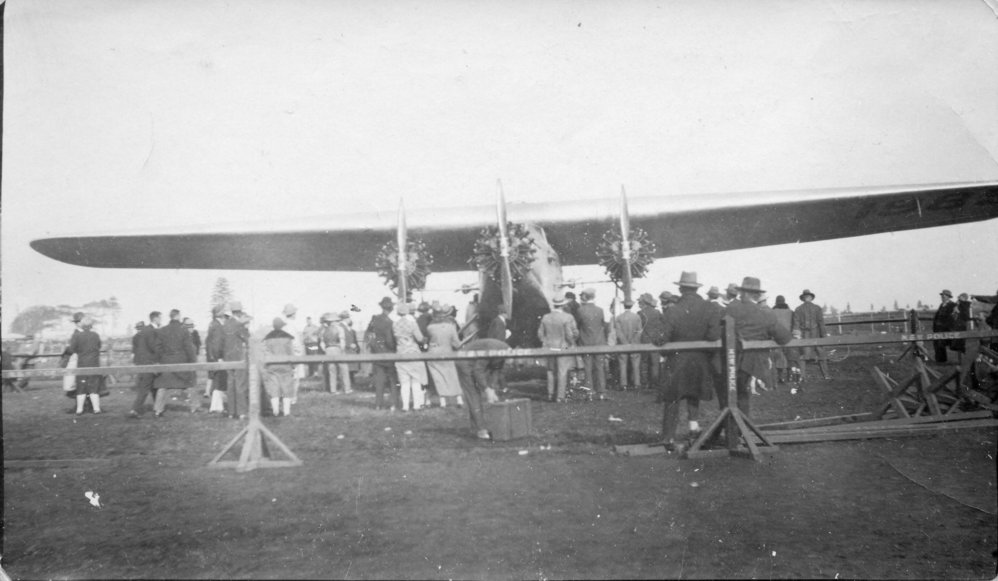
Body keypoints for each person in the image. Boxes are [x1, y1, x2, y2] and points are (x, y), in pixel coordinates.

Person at [724, 277, 792, 446]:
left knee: (731, 396)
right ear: (756, 295)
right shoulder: (765, 313)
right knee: (743, 396)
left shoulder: (731, 309)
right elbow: (784, 338)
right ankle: (741, 433)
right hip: (754, 363)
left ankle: (734, 434)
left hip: (731, 360)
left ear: (742, 292)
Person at [659, 272, 721, 449]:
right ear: (696, 289)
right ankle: (693, 429)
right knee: (694, 394)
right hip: (699, 359)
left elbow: (662, 338)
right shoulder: (709, 308)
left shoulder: (672, 310)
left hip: (677, 360)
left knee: (672, 398)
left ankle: (668, 437)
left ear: (680, 289)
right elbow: (713, 335)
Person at [456, 337, 510, 439]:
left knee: (476, 395)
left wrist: (492, 389)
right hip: (465, 361)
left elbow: (496, 371)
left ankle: (476, 428)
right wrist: (487, 389)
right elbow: (478, 370)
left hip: (474, 361)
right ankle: (481, 430)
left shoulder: (504, 353)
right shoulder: (494, 350)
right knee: (473, 395)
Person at [152, 309, 198, 417]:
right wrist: (193, 361)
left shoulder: (162, 330)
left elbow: (157, 348)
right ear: (178, 316)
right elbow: (189, 348)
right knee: (189, 384)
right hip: (182, 361)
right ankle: (194, 407)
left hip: (166, 362)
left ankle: (158, 409)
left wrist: (160, 360)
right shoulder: (184, 331)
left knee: (162, 386)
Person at [537, 295, 579, 402]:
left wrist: (545, 342)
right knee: (562, 371)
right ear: (563, 305)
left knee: (550, 371)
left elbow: (540, 334)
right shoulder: (568, 317)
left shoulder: (546, 317)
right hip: (563, 346)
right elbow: (571, 334)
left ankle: (550, 394)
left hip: (549, 347)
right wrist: (572, 342)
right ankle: (560, 396)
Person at [425, 303, 464, 408]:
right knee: (452, 376)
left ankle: (443, 401)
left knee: (438, 378)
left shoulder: (430, 327)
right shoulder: (451, 327)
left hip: (433, 353)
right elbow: (456, 343)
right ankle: (459, 399)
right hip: (447, 353)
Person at [63, 316, 104, 415]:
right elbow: (99, 346)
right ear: (91, 326)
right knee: (94, 386)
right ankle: (96, 408)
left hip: (82, 363)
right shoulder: (96, 335)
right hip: (94, 363)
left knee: (81, 386)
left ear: (82, 325)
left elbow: (72, 349)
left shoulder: (77, 336)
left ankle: (79, 409)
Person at [365, 297, 398, 411]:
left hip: (377, 354)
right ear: (391, 308)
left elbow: (368, 335)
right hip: (389, 354)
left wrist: (373, 347)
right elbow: (389, 340)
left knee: (379, 380)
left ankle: (378, 404)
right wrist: (393, 348)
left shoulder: (374, 319)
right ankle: (393, 404)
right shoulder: (390, 323)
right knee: (393, 380)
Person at [393, 303, 428, 411]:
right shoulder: (412, 323)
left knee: (404, 382)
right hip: (413, 352)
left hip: (400, 353)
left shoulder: (394, 324)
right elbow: (420, 338)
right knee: (416, 380)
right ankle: (417, 405)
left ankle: (405, 406)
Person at [792, 289, 831, 380]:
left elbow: (796, 325)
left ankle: (802, 377)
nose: (807, 298)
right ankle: (826, 375)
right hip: (816, 334)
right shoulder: (817, 308)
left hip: (805, 335)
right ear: (810, 298)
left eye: (807, 296)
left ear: (804, 298)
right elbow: (821, 323)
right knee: (821, 354)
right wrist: (824, 336)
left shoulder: (798, 309)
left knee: (803, 355)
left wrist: (797, 337)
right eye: (807, 297)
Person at [577, 288, 609, 400]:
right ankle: (602, 392)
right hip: (599, 342)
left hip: (585, 342)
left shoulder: (580, 310)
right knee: (600, 367)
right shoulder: (600, 310)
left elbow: (578, 325)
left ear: (585, 297)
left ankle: (589, 391)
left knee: (587, 367)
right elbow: (603, 325)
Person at [128, 313, 161, 418]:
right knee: (146, 387)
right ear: (155, 319)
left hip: (144, 362)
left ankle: (158, 408)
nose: (161, 320)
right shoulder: (151, 330)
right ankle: (135, 409)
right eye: (160, 318)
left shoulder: (145, 331)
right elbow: (153, 347)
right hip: (149, 363)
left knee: (154, 386)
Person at [262, 317, 296, 417]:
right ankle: (286, 412)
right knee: (286, 388)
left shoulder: (268, 338)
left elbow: (265, 352)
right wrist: (293, 365)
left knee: (274, 388)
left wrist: (266, 365)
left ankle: (275, 411)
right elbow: (291, 352)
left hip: (272, 366)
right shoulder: (287, 338)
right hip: (285, 365)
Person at [222, 301, 251, 419]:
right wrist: (247, 328)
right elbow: (248, 339)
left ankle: (231, 411)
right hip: (239, 357)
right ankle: (241, 412)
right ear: (239, 312)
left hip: (228, 357)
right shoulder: (239, 325)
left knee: (230, 384)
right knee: (240, 384)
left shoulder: (226, 324)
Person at [613, 298, 642, 391]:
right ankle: (637, 384)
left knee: (622, 363)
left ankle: (623, 384)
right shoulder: (637, 317)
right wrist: (633, 342)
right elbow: (639, 331)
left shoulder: (619, 317)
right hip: (635, 344)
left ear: (623, 305)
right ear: (632, 306)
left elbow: (618, 332)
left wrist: (625, 343)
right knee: (636, 364)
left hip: (623, 345)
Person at [638, 292, 665, 390]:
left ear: (644, 302)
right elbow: (662, 325)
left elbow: (638, 328)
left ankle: (644, 383)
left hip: (644, 340)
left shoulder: (640, 313)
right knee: (655, 363)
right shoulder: (657, 312)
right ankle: (654, 383)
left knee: (644, 362)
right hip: (655, 340)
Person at [320, 312, 351, 394]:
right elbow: (342, 341)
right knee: (344, 369)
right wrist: (342, 350)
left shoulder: (324, 330)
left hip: (328, 350)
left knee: (332, 370)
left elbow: (322, 343)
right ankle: (347, 388)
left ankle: (333, 389)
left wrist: (326, 350)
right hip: (338, 349)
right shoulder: (339, 329)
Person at [205, 305, 228, 413]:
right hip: (217, 357)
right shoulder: (218, 326)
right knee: (219, 381)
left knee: (217, 381)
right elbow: (217, 343)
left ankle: (216, 406)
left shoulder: (213, 324)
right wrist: (219, 357)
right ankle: (216, 406)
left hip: (212, 356)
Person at [771, 296, 793, 384]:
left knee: (779, 357)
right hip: (788, 337)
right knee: (789, 356)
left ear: (776, 302)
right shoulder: (790, 312)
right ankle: (789, 376)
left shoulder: (772, 312)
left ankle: (780, 377)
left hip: (777, 337)